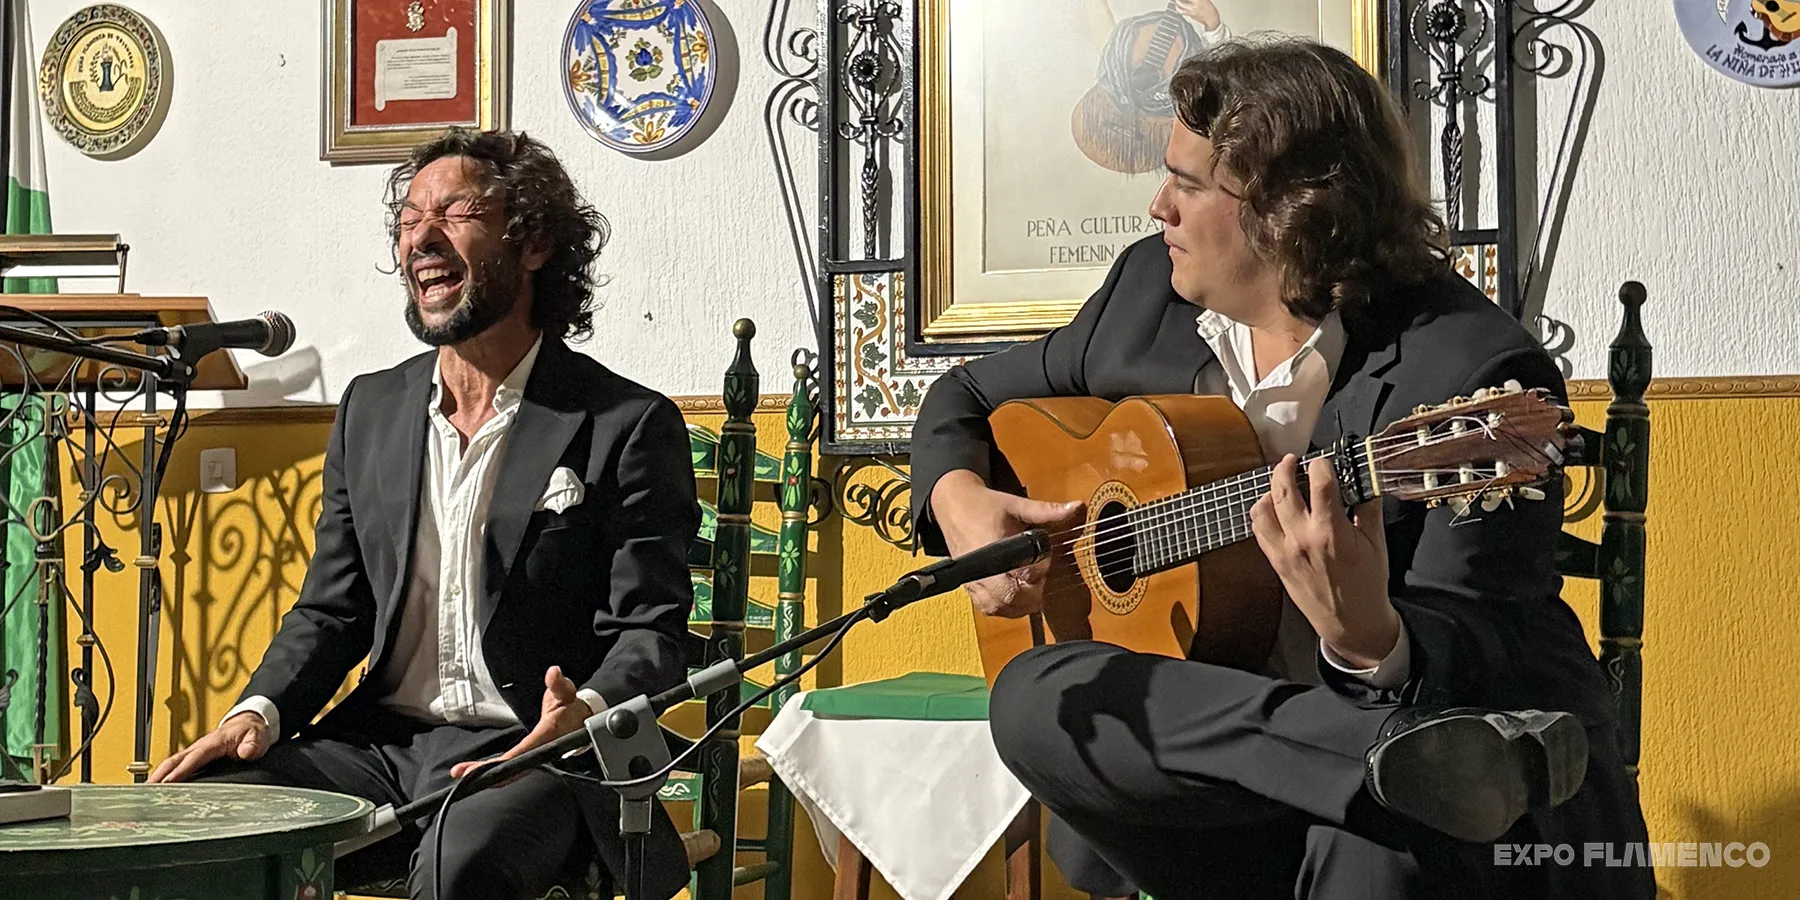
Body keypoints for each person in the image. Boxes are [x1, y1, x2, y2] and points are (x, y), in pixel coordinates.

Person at [910, 40, 1654, 899]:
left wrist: (1365, 636)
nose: (1159, 207)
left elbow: (1485, 643)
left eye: (1188, 185)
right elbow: (963, 394)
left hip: (1459, 801)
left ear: (1287, 208)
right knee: (1034, 698)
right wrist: (959, 499)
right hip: (1234, 805)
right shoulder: (1147, 295)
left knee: (1390, 831)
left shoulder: (1472, 373)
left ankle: (1379, 776)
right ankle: (1366, 769)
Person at [147, 129, 697, 900]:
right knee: (192, 821)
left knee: (456, 866)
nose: (420, 240)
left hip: (533, 754)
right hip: (378, 749)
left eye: (454, 212)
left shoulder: (624, 423)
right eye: (408, 221)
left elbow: (650, 633)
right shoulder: (372, 409)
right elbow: (332, 610)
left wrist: (587, 714)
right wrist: (259, 711)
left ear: (533, 242)